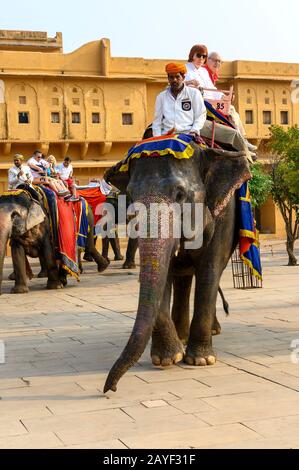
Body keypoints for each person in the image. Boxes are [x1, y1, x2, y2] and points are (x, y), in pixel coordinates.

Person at [152, 62, 206, 137]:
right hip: (167, 136)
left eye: (177, 77)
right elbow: (157, 122)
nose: (174, 80)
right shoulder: (161, 97)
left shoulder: (194, 93)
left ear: (183, 77)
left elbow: (200, 115)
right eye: (171, 77)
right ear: (168, 79)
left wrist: (194, 131)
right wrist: (157, 139)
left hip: (188, 135)